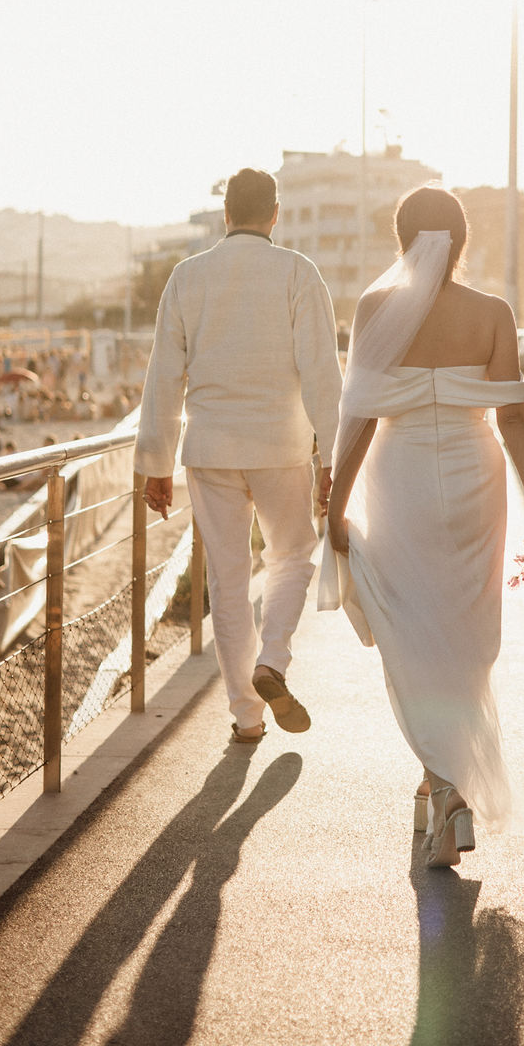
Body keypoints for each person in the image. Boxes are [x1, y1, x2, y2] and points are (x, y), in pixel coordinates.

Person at [325, 185, 524, 869]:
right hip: (473, 479)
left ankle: (446, 788)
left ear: (401, 241)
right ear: (461, 240)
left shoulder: (376, 307)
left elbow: (364, 414)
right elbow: (514, 416)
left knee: (409, 630)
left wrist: (337, 506)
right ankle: (441, 782)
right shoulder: (493, 313)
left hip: (400, 480)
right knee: (465, 630)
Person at [135, 167, 343, 743]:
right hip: (280, 444)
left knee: (228, 581)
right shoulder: (299, 273)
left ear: (225, 213)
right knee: (292, 554)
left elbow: (164, 376)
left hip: (210, 448)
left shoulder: (187, 277)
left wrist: (156, 464)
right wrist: (332, 454)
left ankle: (246, 717)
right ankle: (273, 657)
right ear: (275, 214)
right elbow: (322, 374)